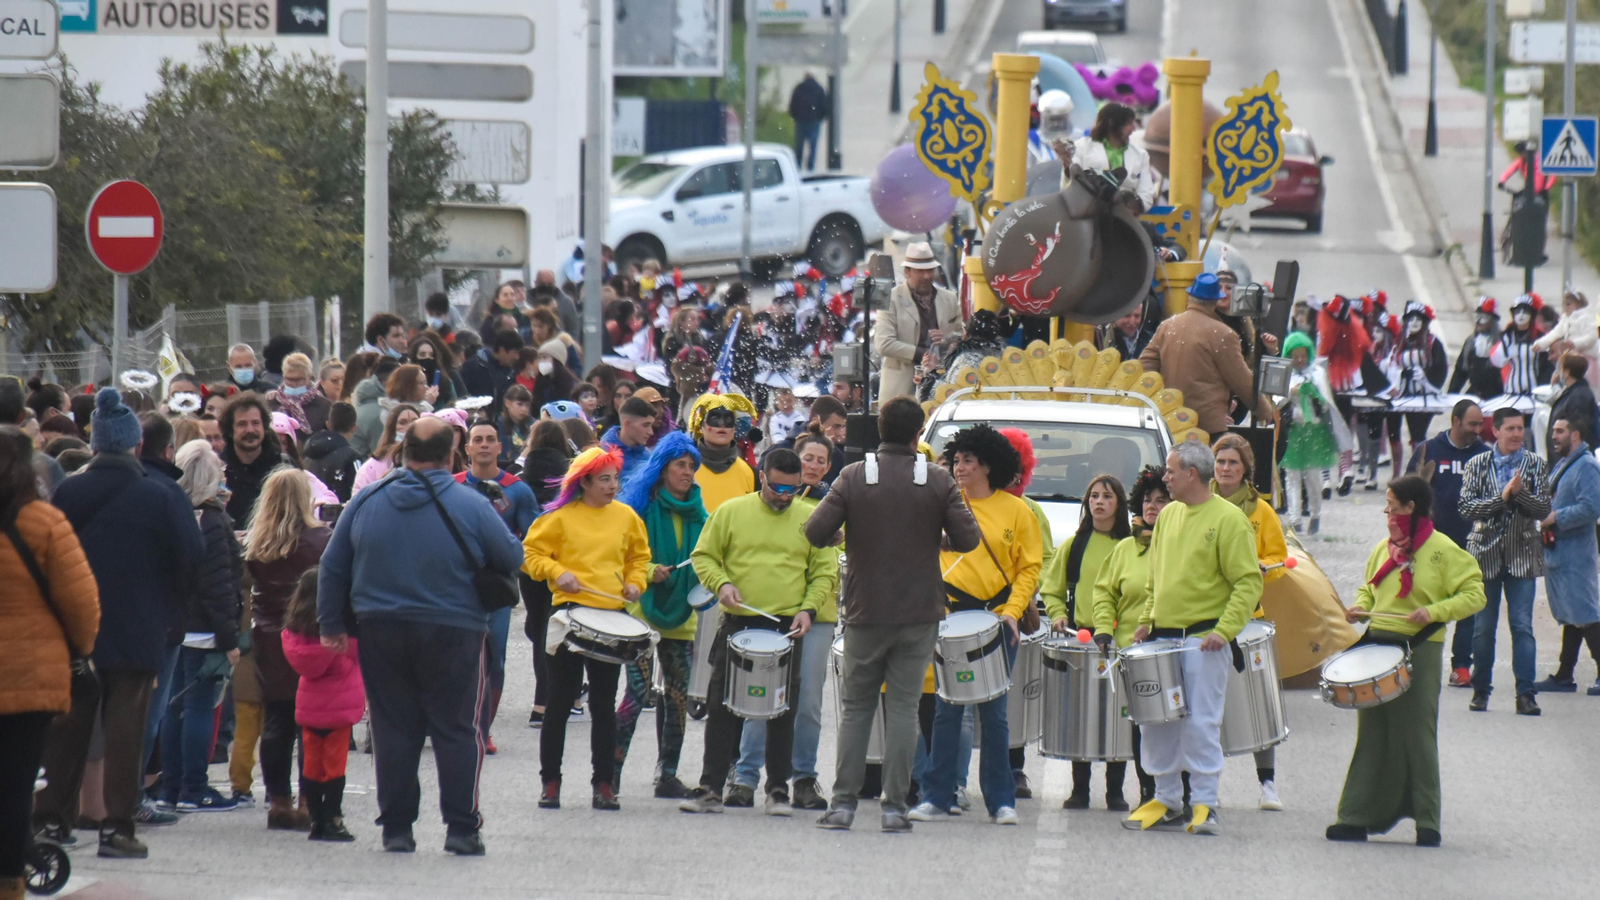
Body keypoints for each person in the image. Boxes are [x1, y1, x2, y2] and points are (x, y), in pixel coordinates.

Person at [319, 416, 523, 854]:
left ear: (403, 451)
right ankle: (462, 828)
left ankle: (396, 827)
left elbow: (333, 565)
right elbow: (510, 554)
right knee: (457, 728)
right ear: (452, 455)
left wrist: (331, 624)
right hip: (455, 629)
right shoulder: (470, 504)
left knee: (394, 728)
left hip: (379, 628)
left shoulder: (367, 499)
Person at [37, 389, 202, 859]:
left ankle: (51, 820)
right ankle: (118, 827)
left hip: (74, 630)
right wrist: (167, 604)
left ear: (95, 446)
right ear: (135, 446)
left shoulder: (69, 490)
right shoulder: (162, 494)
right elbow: (191, 559)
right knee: (127, 727)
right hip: (139, 627)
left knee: (68, 729)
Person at [805, 397, 982, 832]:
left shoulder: (853, 475)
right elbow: (968, 539)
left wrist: (847, 536)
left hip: (866, 608)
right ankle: (895, 807)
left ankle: (844, 803)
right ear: (917, 434)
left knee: (857, 706)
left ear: (879, 429)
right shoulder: (937, 478)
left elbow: (814, 530)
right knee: (904, 707)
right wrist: (934, 538)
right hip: (920, 609)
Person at [1113, 441, 1262, 836]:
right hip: (1162, 637)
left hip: (1203, 639)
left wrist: (1223, 631)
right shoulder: (1167, 517)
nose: (1165, 477)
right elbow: (1155, 578)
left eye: (1171, 470)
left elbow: (1248, 583)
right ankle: (1164, 800)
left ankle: (1204, 804)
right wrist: (1146, 619)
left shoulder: (1229, 520)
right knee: (1155, 721)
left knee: (1200, 723)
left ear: (1191, 475)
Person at [1327, 476, 1485, 848]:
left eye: (1392, 505)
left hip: (1420, 649)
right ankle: (1355, 816)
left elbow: (1474, 594)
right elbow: (1370, 585)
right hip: (1377, 645)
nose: (1387, 513)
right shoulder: (1385, 548)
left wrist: (1434, 611)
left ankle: (1428, 821)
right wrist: (1362, 606)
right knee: (1373, 734)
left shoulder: (1444, 549)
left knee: (1418, 734)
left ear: (1411, 508)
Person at [679, 449, 836, 817]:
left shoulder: (811, 517)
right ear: (762, 477)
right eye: (778, 487)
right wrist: (721, 585)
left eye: (792, 489)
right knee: (722, 708)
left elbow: (824, 571)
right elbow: (703, 555)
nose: (785, 496)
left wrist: (808, 608)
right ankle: (710, 788)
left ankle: (778, 790)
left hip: (786, 627)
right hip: (740, 623)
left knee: (783, 709)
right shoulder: (732, 511)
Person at [907, 425, 1042, 827]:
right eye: (957, 460)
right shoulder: (942, 504)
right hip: (949, 619)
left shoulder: (1018, 511)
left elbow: (1029, 568)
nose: (959, 467)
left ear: (988, 465)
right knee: (946, 710)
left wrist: (1013, 613)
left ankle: (1002, 801)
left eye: (968, 460)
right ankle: (937, 795)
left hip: (998, 620)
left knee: (995, 714)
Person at [523, 446, 649, 812]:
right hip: (570, 613)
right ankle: (551, 782)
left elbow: (638, 557)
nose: (613, 486)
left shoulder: (626, 517)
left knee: (603, 705)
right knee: (559, 702)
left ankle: (603, 784)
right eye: (605, 479)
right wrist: (557, 572)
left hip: (611, 617)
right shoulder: (559, 518)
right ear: (585, 482)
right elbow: (531, 554)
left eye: (615, 478)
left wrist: (635, 583)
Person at [0, 425, 98, 896]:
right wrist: (80, 649)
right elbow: (80, 603)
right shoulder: (44, 522)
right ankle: (10, 883)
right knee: (16, 786)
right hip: (29, 680)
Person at [729, 432, 839, 810]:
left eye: (821, 461)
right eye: (807, 458)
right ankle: (745, 775)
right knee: (762, 695)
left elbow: (831, 562)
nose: (813, 466)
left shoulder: (833, 502)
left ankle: (804, 779)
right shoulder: (774, 499)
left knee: (807, 701)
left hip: (816, 614)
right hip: (771, 612)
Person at [611, 433, 706, 799]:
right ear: (662, 468)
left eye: (691, 466)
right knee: (636, 693)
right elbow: (625, 557)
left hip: (683, 616)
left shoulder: (701, 513)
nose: (687, 472)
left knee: (678, 696)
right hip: (641, 615)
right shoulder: (641, 510)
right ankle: (612, 772)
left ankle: (667, 774)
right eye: (679, 465)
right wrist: (650, 571)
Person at [155, 440, 244, 812]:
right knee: (199, 707)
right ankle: (196, 786)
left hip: (174, 626)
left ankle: (170, 785)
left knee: (174, 708)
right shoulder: (213, 521)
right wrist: (230, 638)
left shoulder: (170, 514)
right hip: (206, 630)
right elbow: (219, 586)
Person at [242, 469, 331, 832]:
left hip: (268, 638)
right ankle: (310, 799)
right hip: (310, 636)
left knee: (276, 721)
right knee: (312, 724)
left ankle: (278, 800)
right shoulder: (321, 539)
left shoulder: (257, 541)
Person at [1209, 433, 1290, 810]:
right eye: (1220, 462)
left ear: (1245, 471)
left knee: (1259, 705)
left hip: (1248, 619)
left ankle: (1268, 784)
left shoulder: (1261, 512)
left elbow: (1278, 558)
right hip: (1206, 619)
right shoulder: (1196, 504)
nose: (1225, 469)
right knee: (1209, 708)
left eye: (1233, 464)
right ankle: (1210, 784)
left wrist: (1261, 569)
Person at [1041, 473, 1130, 809]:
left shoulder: (1130, 545)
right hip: (1081, 636)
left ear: (1119, 504)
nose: (1099, 502)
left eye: (1107, 496)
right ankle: (1080, 789)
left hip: (1118, 640)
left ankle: (1116, 791)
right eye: (1093, 496)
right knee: (1083, 713)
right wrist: (1058, 612)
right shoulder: (1074, 544)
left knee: (1117, 714)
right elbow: (1051, 586)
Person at [1459, 407, 1549, 716]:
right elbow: (1467, 508)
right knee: (1483, 627)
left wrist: (1520, 495)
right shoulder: (1476, 464)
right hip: (1484, 555)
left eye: (1520, 428)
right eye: (1509, 428)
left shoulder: (1536, 464)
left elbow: (1543, 509)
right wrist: (1503, 498)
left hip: (1522, 553)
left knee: (1522, 625)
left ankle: (1526, 694)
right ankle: (1481, 690)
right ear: (1494, 431)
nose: (1516, 434)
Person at [456, 422, 539, 753]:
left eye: (491, 439)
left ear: (500, 448)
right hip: (457, 584)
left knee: (496, 660)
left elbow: (534, 538)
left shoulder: (518, 490)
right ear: (468, 448)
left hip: (497, 588)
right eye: (478, 440)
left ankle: (483, 729)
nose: (485, 445)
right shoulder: (454, 485)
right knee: (456, 658)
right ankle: (455, 724)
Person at [1088, 466, 1168, 807]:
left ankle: (1184, 791)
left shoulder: (1180, 546)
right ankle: (1148, 793)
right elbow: (1104, 592)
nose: (1152, 506)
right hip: (1131, 652)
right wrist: (1104, 628)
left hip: (1173, 645)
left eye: (1162, 500)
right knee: (1140, 725)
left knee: (1175, 723)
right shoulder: (1123, 550)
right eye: (1147, 500)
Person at [1406, 400, 1491, 688]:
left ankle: (1462, 666)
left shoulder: (1485, 455)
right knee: (1427, 603)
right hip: (1432, 545)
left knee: (1467, 605)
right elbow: (1407, 492)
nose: (1478, 430)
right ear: (1455, 421)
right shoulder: (1429, 450)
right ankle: (1416, 660)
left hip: (1473, 544)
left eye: (1480, 424)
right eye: (1472, 424)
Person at [280, 569, 363, 843]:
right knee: (335, 767)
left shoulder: (294, 635)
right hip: (339, 709)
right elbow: (358, 654)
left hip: (309, 706)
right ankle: (333, 818)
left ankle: (316, 819)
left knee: (311, 767)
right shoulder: (340, 637)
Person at [1139, 274, 1272, 441]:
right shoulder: (1223, 334)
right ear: (1215, 301)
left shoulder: (1167, 326)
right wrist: (1264, 411)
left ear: (1191, 297)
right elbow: (1242, 380)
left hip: (1170, 420)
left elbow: (1144, 366)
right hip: (1207, 426)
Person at [1531, 418, 1600, 695]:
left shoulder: (1586, 466)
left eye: (1559, 431)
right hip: (1560, 552)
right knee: (1572, 616)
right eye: (1553, 431)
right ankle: (1564, 675)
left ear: (1576, 434)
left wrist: (1555, 517)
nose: (1553, 436)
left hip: (1576, 555)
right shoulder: (1564, 463)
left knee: (1585, 614)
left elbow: (1592, 508)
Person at [876, 242, 963, 402]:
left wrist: (945, 341)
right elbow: (884, 344)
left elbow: (962, 337)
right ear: (907, 272)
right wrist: (922, 353)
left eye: (930, 270)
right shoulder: (891, 299)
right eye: (920, 271)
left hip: (941, 388)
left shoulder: (949, 299)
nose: (927, 276)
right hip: (900, 390)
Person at [1280, 331, 1347, 533]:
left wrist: (1314, 393)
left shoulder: (1317, 373)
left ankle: (1315, 515)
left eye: (1303, 355)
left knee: (1313, 476)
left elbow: (1326, 403)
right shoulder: (1284, 374)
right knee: (1292, 477)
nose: (1299, 360)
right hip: (1293, 430)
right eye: (1295, 356)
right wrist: (1289, 394)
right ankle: (1295, 519)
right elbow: (1275, 401)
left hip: (1314, 431)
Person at [1059, 101, 1160, 211]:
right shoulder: (1082, 147)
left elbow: (1146, 194)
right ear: (1112, 124)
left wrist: (1135, 208)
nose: (1133, 128)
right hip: (1089, 215)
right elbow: (1072, 182)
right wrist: (1066, 162)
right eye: (1129, 123)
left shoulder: (1141, 155)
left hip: (1127, 219)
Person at [1386, 302, 1450, 462]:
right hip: (1403, 395)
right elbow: (1391, 366)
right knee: (1394, 432)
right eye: (1411, 318)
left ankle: (1420, 471)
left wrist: (1425, 377)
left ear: (1424, 321)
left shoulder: (1433, 343)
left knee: (1418, 435)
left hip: (1424, 396)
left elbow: (1441, 368)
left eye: (1418, 318)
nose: (1414, 322)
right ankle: (1403, 472)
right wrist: (1401, 375)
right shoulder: (1400, 343)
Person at [219, 393, 283, 527]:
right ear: (230, 430)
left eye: (255, 423)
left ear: (264, 427)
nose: (250, 430)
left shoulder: (282, 466)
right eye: (242, 424)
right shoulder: (218, 470)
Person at [688, 394, 758, 513]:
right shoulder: (686, 468)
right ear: (701, 426)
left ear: (734, 428)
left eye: (728, 419)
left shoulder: (750, 474)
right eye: (714, 418)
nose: (722, 424)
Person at [1490, 294, 1554, 407]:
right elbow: (1498, 362)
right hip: (1512, 390)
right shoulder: (1507, 337)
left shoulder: (1539, 337)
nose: (1521, 315)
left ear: (1532, 315)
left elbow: (1547, 365)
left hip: (1534, 391)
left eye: (1525, 312)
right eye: (1517, 312)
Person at [1534, 290, 1599, 387]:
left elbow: (1592, 337)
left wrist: (1575, 343)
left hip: (1586, 360)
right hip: (1571, 358)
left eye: (1569, 304)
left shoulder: (1587, 317)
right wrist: (1540, 344)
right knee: (1563, 380)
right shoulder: (1565, 319)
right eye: (1564, 304)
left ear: (1579, 304)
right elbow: (1555, 333)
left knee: (1587, 386)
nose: (1565, 307)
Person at [303, 401, 362, 503]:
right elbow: (359, 492)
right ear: (353, 428)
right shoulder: (351, 456)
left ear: (328, 425)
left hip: (311, 511)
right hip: (340, 514)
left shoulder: (309, 454)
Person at [1448, 297, 1506, 402]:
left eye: (1484, 317)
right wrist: (1452, 393)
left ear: (1492, 320)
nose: (1479, 321)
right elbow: (1461, 371)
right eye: (1478, 316)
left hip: (1497, 396)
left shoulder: (1502, 343)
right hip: (1474, 394)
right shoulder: (1471, 342)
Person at [353, 405, 421, 492]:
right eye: (402, 423)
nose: (410, 427)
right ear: (391, 429)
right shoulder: (371, 468)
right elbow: (359, 500)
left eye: (415, 422)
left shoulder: (430, 462)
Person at [460, 329, 524, 416]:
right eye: (515, 353)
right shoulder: (473, 366)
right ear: (502, 350)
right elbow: (461, 395)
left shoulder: (512, 371)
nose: (517, 357)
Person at [1547, 353, 1599, 451]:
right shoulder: (1572, 393)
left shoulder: (1579, 397)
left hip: (1572, 458)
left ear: (1566, 372)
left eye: (1560, 368)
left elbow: (1579, 430)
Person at [269, 352, 329, 437]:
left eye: (299, 380)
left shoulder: (322, 405)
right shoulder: (272, 402)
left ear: (309, 378)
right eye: (289, 379)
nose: (293, 384)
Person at [601, 396, 657, 485]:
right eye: (645, 425)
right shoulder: (603, 456)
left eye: (651, 425)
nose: (651, 432)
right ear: (627, 424)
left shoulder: (649, 457)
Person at [787, 72, 828, 172]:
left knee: (799, 146)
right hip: (814, 121)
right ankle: (810, 167)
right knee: (813, 146)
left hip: (801, 121)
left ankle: (797, 167)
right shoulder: (819, 89)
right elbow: (824, 106)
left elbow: (792, 105)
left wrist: (796, 116)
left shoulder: (799, 88)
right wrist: (820, 117)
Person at [409, 330, 460, 409]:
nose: (427, 357)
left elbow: (455, 407)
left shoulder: (445, 382)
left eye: (431, 354)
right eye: (422, 354)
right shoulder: (408, 384)